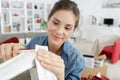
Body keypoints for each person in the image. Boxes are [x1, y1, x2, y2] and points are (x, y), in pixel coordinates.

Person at [0, 0, 85, 80]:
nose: (59, 32)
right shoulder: (36, 41)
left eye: (67, 28)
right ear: (48, 21)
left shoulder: (77, 60)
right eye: (55, 23)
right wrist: (16, 52)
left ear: (73, 31)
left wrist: (60, 77)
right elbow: (24, 61)